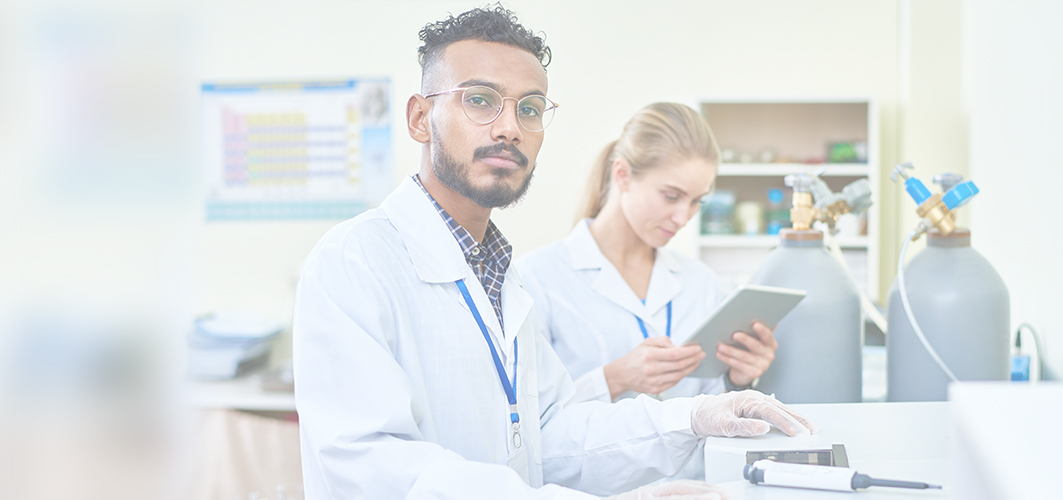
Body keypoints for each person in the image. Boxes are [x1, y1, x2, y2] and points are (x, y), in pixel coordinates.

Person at [292, 6, 816, 500]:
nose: (509, 127)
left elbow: (552, 435)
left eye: (530, 108)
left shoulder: (500, 275)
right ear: (419, 118)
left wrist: (693, 417)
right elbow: (374, 467)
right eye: (480, 99)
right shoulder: (353, 263)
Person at [517, 103, 780, 404]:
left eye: (697, 201)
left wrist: (737, 379)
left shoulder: (701, 283)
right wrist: (614, 380)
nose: (683, 217)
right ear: (622, 175)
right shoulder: (537, 277)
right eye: (671, 196)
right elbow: (526, 413)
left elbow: (710, 403)